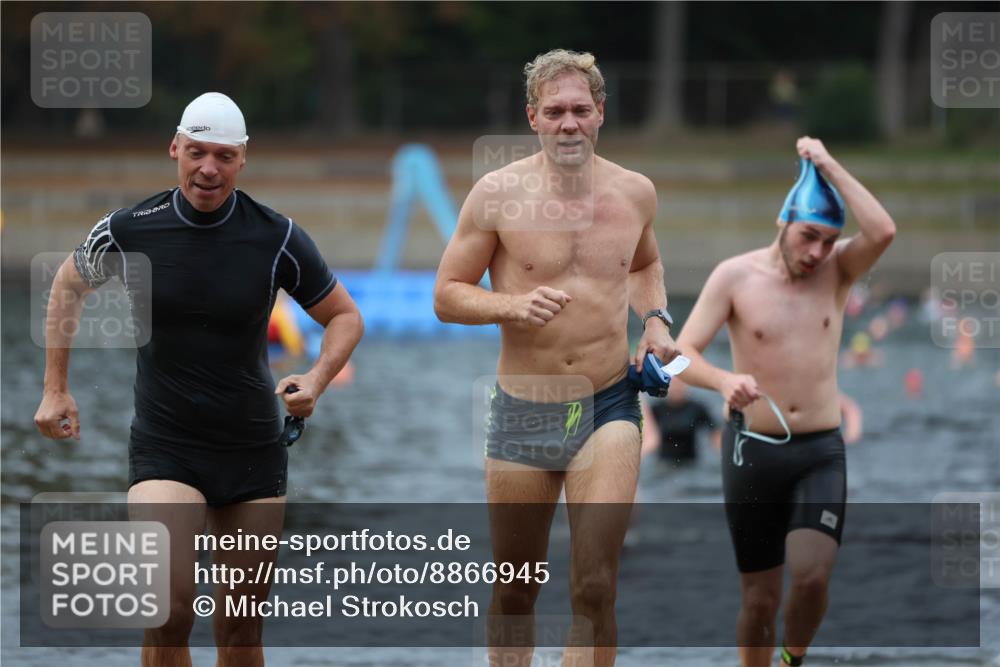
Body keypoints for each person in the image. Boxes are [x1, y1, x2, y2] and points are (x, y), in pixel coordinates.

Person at [33, 92, 364, 667]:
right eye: (196, 152)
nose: (208, 168)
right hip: (167, 445)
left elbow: (345, 316)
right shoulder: (129, 229)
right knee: (166, 611)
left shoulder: (278, 237)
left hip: (251, 449)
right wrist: (55, 387)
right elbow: (67, 285)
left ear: (242, 159)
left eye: (223, 156)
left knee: (240, 633)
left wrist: (314, 378)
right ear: (174, 149)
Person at [434, 49, 677, 667]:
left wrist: (654, 321)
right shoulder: (496, 195)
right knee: (517, 588)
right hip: (525, 408)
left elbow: (645, 265)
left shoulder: (635, 193)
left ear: (600, 114)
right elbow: (446, 295)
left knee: (595, 584)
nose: (568, 123)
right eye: (554, 112)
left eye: (579, 110)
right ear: (533, 118)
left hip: (607, 402)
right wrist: (509, 306)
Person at [676, 137, 895, 667]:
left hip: (820, 449)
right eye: (810, 236)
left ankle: (793, 660)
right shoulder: (735, 276)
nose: (817, 251)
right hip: (751, 452)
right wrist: (724, 381)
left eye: (829, 240)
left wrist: (825, 163)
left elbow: (883, 229)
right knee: (759, 598)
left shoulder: (838, 272)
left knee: (813, 575)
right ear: (785, 224)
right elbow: (681, 353)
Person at [640, 378, 720, 465]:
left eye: (679, 384)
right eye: (673, 385)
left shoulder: (696, 408)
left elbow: (714, 433)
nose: (676, 388)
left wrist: (723, 453)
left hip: (690, 464)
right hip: (664, 464)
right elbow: (647, 437)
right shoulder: (657, 410)